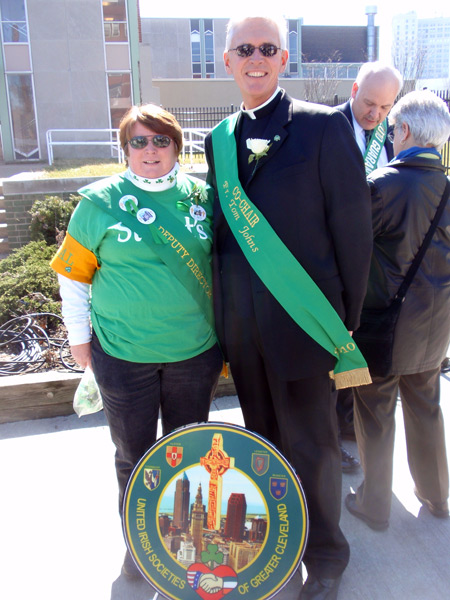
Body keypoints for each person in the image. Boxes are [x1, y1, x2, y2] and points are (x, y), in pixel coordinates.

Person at [205, 15, 373, 600]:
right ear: (227, 60)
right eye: (244, 48)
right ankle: (278, 546)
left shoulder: (325, 127)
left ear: (283, 59)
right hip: (244, 332)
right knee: (264, 446)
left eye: (267, 48)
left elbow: (354, 233)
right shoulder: (219, 139)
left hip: (307, 326)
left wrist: (343, 324)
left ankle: (326, 557)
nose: (256, 58)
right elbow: (224, 239)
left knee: (315, 448)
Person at [50, 104, 223, 578]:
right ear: (124, 148)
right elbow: (73, 279)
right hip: (123, 356)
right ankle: (140, 542)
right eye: (138, 141)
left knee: (187, 453)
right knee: (134, 455)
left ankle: (185, 540)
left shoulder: (203, 198)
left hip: (194, 354)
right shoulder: (98, 202)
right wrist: (79, 339)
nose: (150, 150)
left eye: (161, 140)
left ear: (177, 146)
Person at [345, 90, 450, 531]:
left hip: (383, 323)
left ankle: (374, 504)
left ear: (403, 130)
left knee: (374, 413)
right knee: (426, 407)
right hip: (436, 325)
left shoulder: (380, 186)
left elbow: (349, 252)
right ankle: (437, 496)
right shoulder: (446, 187)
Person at [335, 62, 403, 462]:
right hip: (334, 264)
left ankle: (348, 423)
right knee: (335, 349)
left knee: (359, 351)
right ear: (355, 88)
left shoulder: (390, 138)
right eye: (369, 102)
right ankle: (330, 433)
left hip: (374, 266)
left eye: (385, 107)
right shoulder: (328, 127)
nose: (375, 114)